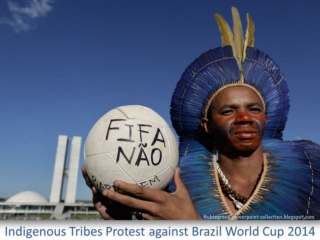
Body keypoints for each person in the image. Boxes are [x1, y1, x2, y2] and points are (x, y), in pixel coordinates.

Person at [82, 7, 320, 220]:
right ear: (206, 124)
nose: (245, 118)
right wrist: (121, 225)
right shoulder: (174, 187)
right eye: (229, 111)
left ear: (266, 118)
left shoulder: (310, 177)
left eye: (254, 109)